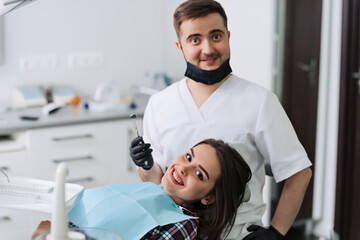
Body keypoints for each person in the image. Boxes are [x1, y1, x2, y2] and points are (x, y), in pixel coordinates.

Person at [129, 0, 313, 239]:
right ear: (180, 46)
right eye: (195, 40)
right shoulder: (161, 103)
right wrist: (145, 166)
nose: (207, 49)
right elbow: (159, 181)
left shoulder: (259, 101)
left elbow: (298, 172)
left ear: (227, 36)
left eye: (215, 36)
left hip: (237, 234)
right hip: (173, 232)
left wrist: (277, 232)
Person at [32, 139, 252, 240]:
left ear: (209, 198)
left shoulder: (182, 227)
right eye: (188, 156)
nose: (184, 168)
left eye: (199, 174)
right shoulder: (147, 193)